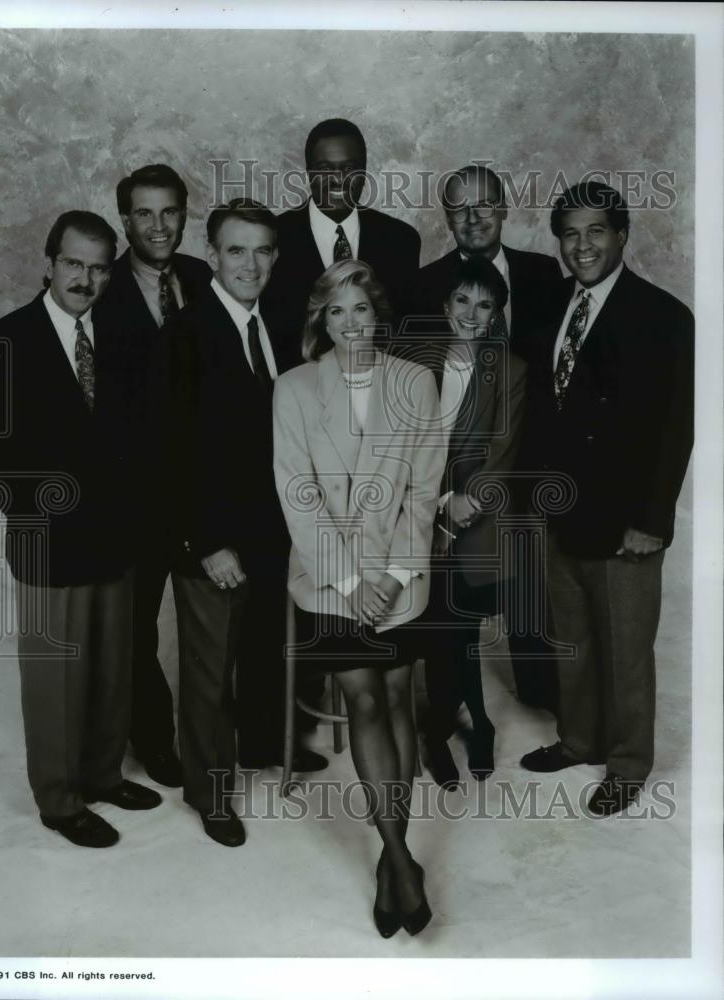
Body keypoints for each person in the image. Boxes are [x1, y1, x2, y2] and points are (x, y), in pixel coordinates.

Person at [0, 211, 161, 848]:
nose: (86, 278)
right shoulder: (4, 340)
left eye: (99, 267)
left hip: (116, 535)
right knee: (56, 677)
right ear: (49, 264)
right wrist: (30, 509)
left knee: (110, 669)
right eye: (74, 263)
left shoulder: (124, 335)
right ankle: (59, 798)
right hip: (49, 539)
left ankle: (103, 774)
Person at [273, 260, 444, 937]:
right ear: (321, 318)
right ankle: (401, 860)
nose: (351, 324)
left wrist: (397, 575)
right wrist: (350, 582)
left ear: (379, 314)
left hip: (401, 577)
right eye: (336, 311)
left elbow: (425, 489)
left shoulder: (415, 382)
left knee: (400, 699)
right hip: (329, 579)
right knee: (365, 699)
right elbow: (298, 492)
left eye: (361, 310)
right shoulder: (293, 389)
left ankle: (389, 861)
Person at [518, 182, 694, 816]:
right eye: (570, 233)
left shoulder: (664, 317)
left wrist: (651, 522)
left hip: (625, 521)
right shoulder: (554, 309)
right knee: (574, 639)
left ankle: (626, 763)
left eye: (596, 231)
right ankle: (579, 738)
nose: (582, 244)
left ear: (622, 234)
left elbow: (676, 431)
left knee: (625, 647)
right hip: (560, 511)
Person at [163, 198, 327, 849]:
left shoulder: (280, 326)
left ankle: (262, 744)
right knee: (208, 672)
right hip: (214, 541)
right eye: (236, 250)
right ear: (212, 255)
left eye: (262, 250)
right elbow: (169, 450)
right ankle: (209, 792)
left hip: (270, 529)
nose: (250, 264)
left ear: (276, 257)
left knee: (262, 648)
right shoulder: (185, 333)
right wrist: (205, 543)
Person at [417, 163, 564, 713]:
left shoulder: (544, 273)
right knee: (457, 601)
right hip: (460, 478)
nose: (473, 217)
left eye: (483, 204)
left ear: (504, 208)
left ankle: (543, 695)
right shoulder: (428, 281)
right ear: (447, 217)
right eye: (459, 208)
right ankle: (456, 709)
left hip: (534, 454)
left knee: (533, 592)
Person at [100, 163, 212, 788]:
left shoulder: (201, 276)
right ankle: (155, 740)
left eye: (170, 211)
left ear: (185, 213)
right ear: (125, 221)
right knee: (138, 629)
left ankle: (221, 734)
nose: (160, 225)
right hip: (136, 498)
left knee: (208, 625)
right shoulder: (102, 288)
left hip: (198, 492)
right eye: (145, 213)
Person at [400, 256, 528, 787]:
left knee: (459, 624)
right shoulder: (411, 361)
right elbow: (399, 446)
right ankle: (466, 723)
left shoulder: (510, 370)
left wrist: (458, 508)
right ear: (444, 304)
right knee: (437, 626)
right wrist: (435, 503)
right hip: (418, 511)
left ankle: (450, 724)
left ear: (497, 313)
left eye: (484, 304)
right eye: (462, 300)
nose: (471, 314)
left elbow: (503, 453)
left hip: (478, 518)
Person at [262, 117, 421, 346]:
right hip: (296, 379)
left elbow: (403, 334)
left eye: (348, 168)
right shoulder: (274, 237)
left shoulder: (401, 240)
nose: (337, 180)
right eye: (324, 169)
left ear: (364, 172)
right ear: (308, 173)